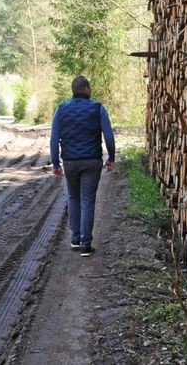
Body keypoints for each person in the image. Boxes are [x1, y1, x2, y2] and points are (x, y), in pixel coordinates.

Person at [50, 75, 115, 257]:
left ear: (73, 91)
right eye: (90, 87)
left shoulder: (61, 110)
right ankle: (86, 244)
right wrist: (111, 157)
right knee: (87, 199)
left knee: (74, 197)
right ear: (86, 89)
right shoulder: (98, 108)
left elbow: (54, 139)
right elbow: (109, 136)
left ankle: (75, 239)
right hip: (92, 161)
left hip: (70, 162)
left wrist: (56, 164)